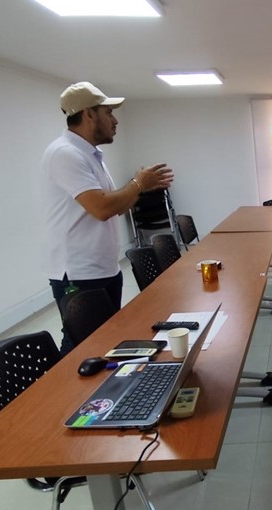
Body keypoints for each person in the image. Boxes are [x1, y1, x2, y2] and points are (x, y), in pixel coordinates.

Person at [42, 81, 173, 354]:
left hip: (104, 267)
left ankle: (102, 396)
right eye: (108, 113)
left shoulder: (91, 156)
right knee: (81, 348)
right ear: (89, 114)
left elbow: (115, 206)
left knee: (106, 343)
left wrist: (141, 187)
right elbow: (101, 209)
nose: (115, 120)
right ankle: (62, 397)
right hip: (80, 272)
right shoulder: (65, 153)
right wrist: (137, 183)